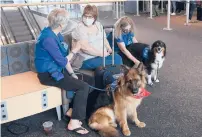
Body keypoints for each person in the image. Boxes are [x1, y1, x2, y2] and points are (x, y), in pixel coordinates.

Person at [34, 8, 90, 135]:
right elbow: (62, 61)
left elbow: (63, 60)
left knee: (89, 80)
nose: (67, 23)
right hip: (48, 74)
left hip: (58, 69)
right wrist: (75, 50)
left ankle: (72, 111)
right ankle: (74, 122)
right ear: (61, 25)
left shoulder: (54, 33)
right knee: (83, 87)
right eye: (66, 21)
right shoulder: (47, 38)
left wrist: (72, 74)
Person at [71, 5, 123, 70]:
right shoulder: (79, 28)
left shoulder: (98, 24)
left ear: (94, 17)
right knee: (113, 63)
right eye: (85, 16)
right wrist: (100, 53)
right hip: (87, 59)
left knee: (118, 58)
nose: (87, 19)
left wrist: (109, 49)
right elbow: (85, 48)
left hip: (102, 54)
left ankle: (117, 74)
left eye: (90, 17)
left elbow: (104, 39)